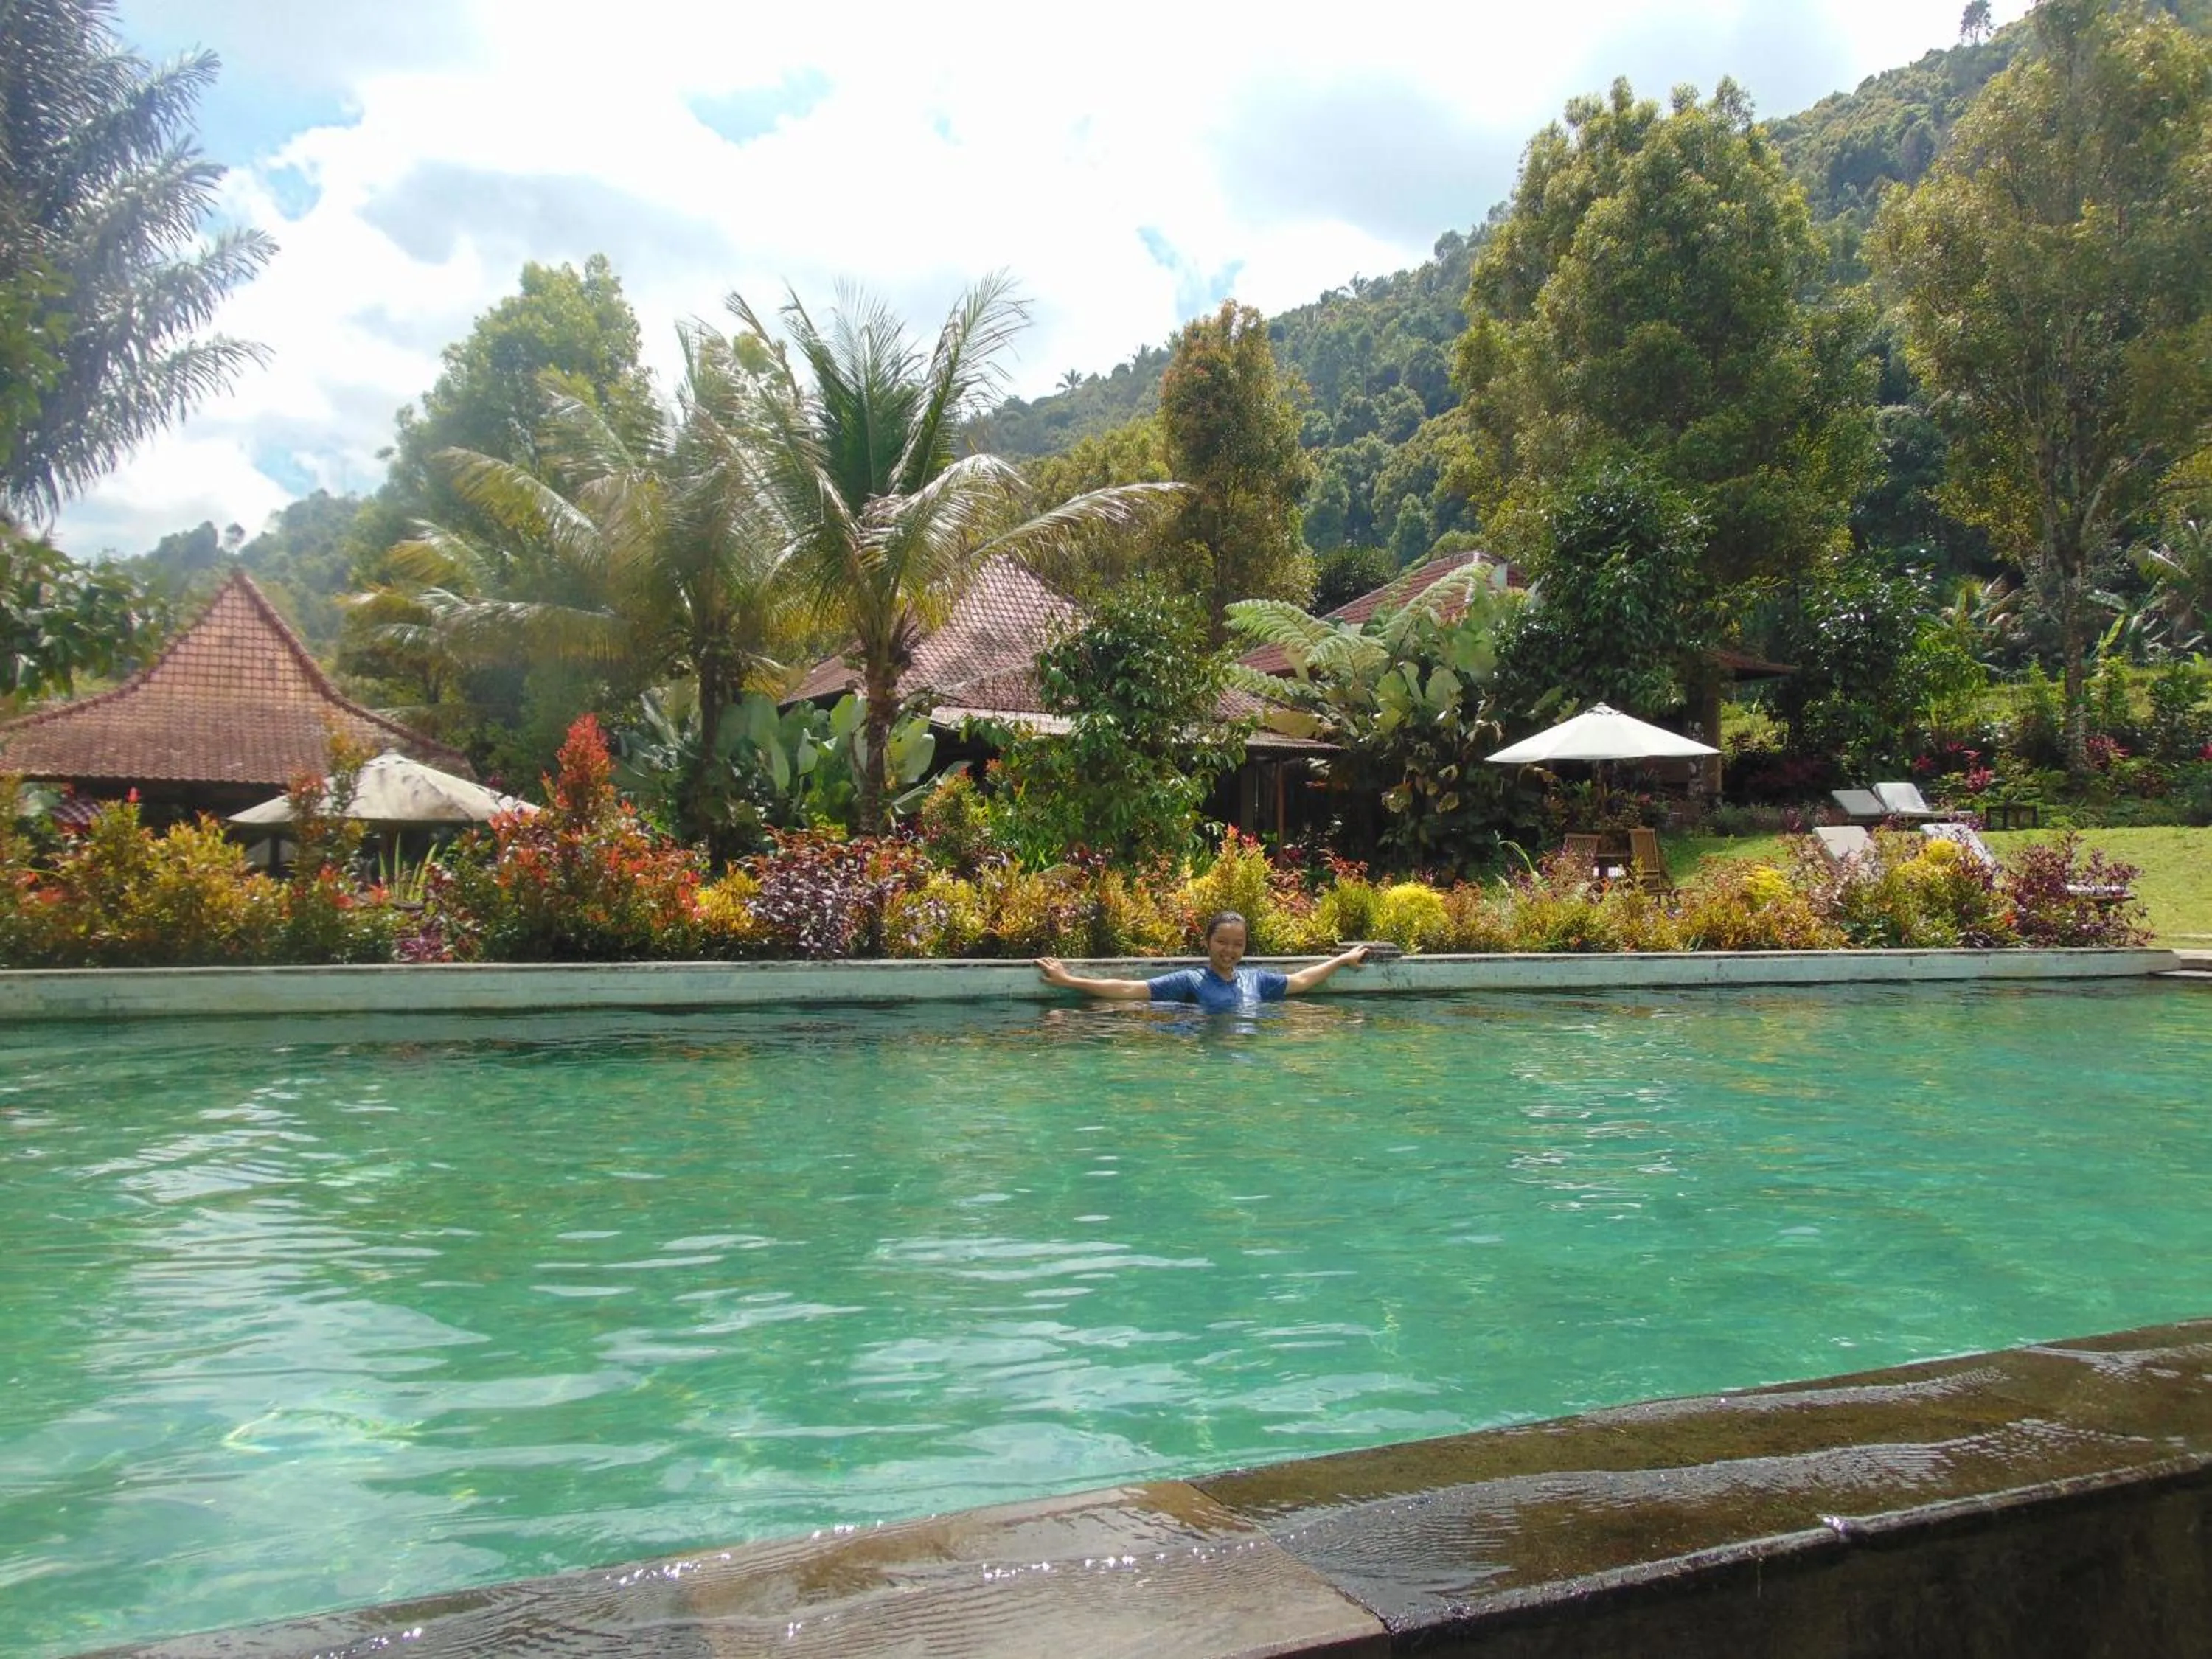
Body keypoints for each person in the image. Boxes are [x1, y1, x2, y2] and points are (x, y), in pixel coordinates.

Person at [1034, 911, 1371, 1012]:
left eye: (1237, 944)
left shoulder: (1256, 981)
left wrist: (1342, 958)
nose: (1229, 950)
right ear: (1207, 943)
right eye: (1222, 942)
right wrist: (1070, 981)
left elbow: (1300, 981)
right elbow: (1129, 989)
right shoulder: (1191, 981)